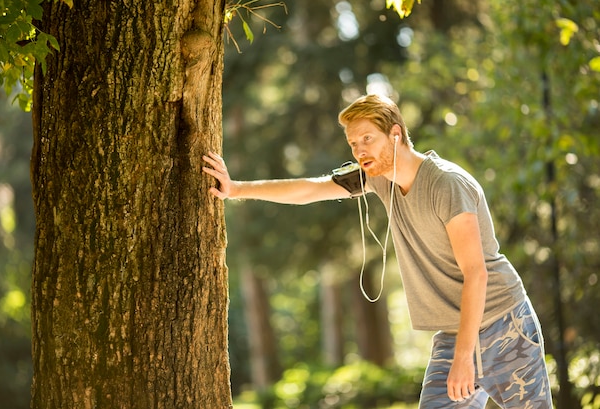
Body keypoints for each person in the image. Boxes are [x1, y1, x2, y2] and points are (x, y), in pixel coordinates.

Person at [203, 94, 553, 408]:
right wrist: (235, 189)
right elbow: (310, 189)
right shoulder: (379, 179)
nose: (359, 151)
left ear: (396, 134)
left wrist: (465, 357)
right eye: (354, 143)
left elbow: (476, 272)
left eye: (367, 139)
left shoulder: (446, 183)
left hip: (504, 322)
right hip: (454, 330)